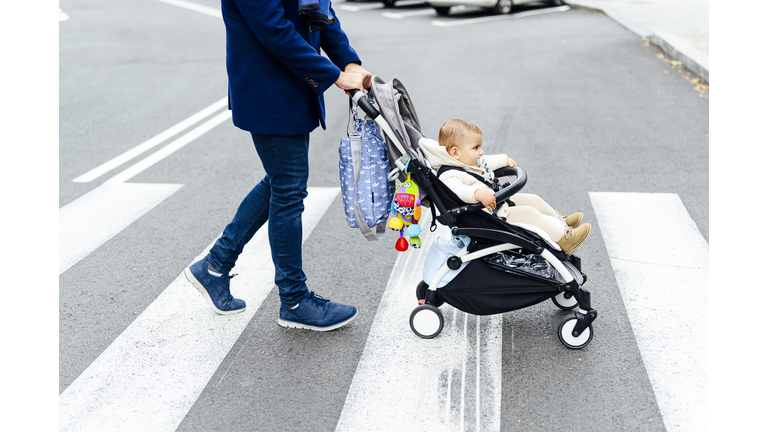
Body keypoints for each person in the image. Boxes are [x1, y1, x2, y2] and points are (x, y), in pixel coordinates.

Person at [184, 0, 371, 331]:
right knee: (288, 187)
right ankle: (294, 300)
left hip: (291, 86)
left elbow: (320, 10)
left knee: (283, 180)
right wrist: (334, 75)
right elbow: (273, 28)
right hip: (269, 88)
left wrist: (349, 61)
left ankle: (214, 266)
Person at [420, 119, 591, 256]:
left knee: (533, 200)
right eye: (476, 148)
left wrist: (504, 160)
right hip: (487, 216)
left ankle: (561, 223)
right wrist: (478, 194)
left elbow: (486, 161)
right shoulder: (449, 174)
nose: (481, 152)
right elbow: (458, 191)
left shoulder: (464, 161)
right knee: (529, 213)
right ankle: (564, 240)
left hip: (496, 204)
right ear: (455, 152)